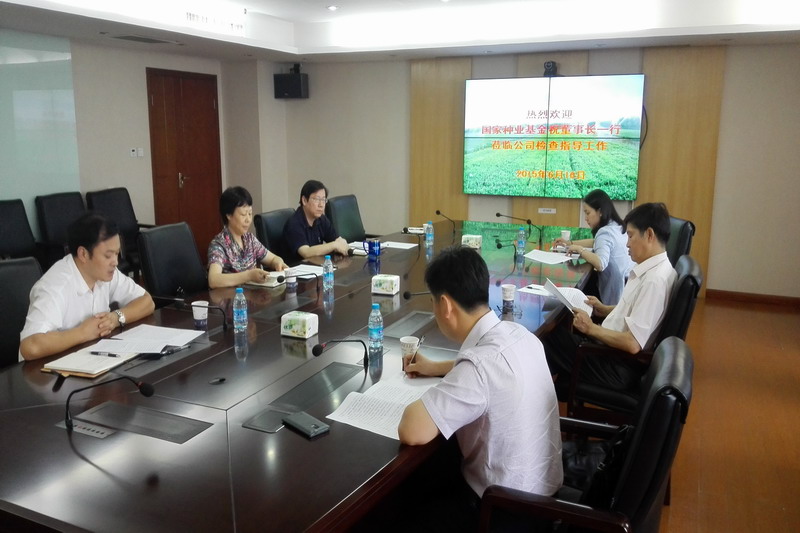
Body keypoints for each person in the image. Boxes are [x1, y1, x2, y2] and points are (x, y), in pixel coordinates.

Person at [398, 246, 563, 525]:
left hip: (503, 512)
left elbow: (411, 430)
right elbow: (492, 373)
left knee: (403, 508)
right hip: (543, 500)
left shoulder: (478, 369)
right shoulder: (520, 334)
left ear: (445, 305)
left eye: (434, 303)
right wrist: (436, 368)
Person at [544, 202, 677, 390]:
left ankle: (542, 396)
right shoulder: (657, 269)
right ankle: (553, 392)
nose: (627, 244)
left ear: (649, 235)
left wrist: (590, 328)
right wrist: (605, 309)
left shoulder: (654, 281)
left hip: (617, 364)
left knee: (549, 338)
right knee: (559, 336)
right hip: (611, 352)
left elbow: (632, 343)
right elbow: (638, 313)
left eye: (630, 236)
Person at [19, 213, 155, 361]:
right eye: (108, 256)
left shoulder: (106, 273)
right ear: (83, 254)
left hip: (90, 358)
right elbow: (30, 346)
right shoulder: (55, 287)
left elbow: (147, 301)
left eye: (117, 254)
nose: (115, 262)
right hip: (45, 368)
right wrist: (83, 333)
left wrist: (116, 318)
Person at [553, 189, 634, 305]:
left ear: (600, 212)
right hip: (627, 285)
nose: (586, 218)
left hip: (614, 292)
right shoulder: (617, 225)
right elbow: (596, 242)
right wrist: (570, 243)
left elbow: (600, 263)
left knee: (577, 293)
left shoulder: (605, 232)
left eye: (588, 213)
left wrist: (580, 250)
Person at [207, 186, 288, 289]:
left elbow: (272, 258)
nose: (248, 220)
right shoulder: (219, 245)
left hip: (254, 295)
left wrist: (278, 262)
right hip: (232, 297)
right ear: (229, 215)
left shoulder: (249, 239)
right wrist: (248, 276)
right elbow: (213, 280)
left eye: (250, 214)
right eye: (243, 214)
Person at [282, 179, 349, 263]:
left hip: (316, 266)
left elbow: (338, 240)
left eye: (323, 200)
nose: (321, 205)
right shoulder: (294, 224)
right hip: (297, 268)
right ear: (304, 200)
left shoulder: (321, 219)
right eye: (317, 199)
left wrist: (341, 243)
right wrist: (334, 245)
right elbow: (306, 252)